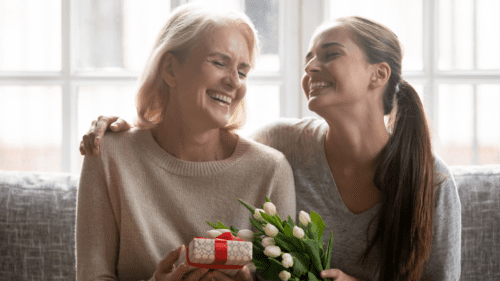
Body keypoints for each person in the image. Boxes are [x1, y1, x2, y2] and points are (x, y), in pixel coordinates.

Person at [80, 16, 461, 281]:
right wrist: (129, 130)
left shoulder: (432, 183)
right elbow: (202, 142)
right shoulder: (282, 147)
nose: (310, 66)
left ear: (378, 74)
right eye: (309, 56)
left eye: (329, 54)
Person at [75, 4, 296, 281]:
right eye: (219, 63)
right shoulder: (107, 155)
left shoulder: (271, 170)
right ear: (169, 69)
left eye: (242, 71)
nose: (233, 82)